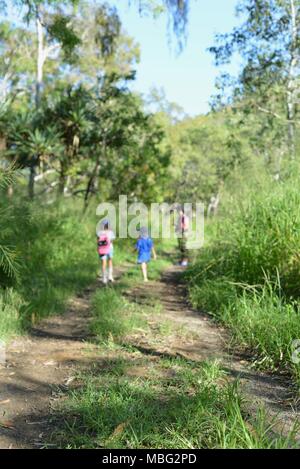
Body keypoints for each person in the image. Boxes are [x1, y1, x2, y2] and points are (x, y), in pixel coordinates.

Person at [97, 219, 115, 284]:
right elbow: (112, 241)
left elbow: (98, 241)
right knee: (110, 261)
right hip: (110, 248)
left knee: (103, 263)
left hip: (102, 249)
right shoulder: (111, 232)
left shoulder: (99, 233)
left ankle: (104, 278)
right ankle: (110, 276)